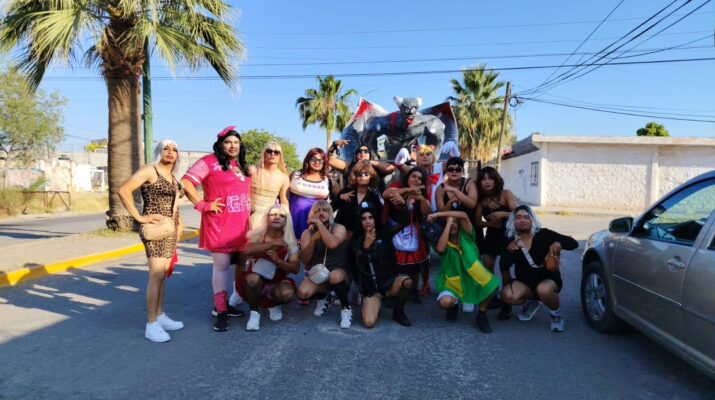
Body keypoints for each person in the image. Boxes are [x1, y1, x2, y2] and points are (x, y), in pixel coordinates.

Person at [181, 126, 252, 332]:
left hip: (241, 225)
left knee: (240, 265)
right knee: (221, 267)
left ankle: (231, 303)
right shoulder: (208, 162)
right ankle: (220, 311)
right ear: (220, 144)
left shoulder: (240, 164)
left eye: (236, 142)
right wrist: (203, 205)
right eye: (228, 142)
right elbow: (186, 182)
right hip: (219, 224)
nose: (233, 146)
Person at [118, 139, 185, 343]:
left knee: (162, 275)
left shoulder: (173, 177)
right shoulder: (150, 170)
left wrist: (179, 225)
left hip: (170, 229)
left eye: (174, 149)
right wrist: (139, 217)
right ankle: (151, 324)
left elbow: (173, 205)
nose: (170, 152)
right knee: (156, 275)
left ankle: (160, 315)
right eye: (166, 148)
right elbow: (123, 190)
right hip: (155, 230)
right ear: (159, 151)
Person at [500, 205, 578, 332]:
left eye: (526, 217)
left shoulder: (543, 234)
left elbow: (573, 243)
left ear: (532, 220)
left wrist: (559, 243)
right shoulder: (509, 239)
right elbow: (504, 266)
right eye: (518, 217)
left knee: (543, 289)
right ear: (513, 221)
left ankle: (556, 315)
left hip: (548, 281)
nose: (522, 220)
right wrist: (508, 251)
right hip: (525, 283)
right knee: (507, 295)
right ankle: (534, 301)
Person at [428, 210, 499, 333]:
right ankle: (453, 305)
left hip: (473, 278)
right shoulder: (440, 240)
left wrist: (438, 214)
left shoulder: (467, 235)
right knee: (445, 302)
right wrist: (448, 223)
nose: (453, 224)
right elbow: (440, 249)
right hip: (451, 282)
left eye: (455, 222)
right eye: (449, 222)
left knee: (491, 285)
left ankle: (481, 315)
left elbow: (464, 215)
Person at [237, 204, 300, 331]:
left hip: (277, 281)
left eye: (282, 215)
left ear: (286, 220)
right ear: (267, 217)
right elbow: (247, 250)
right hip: (256, 279)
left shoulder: (290, 241)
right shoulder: (258, 235)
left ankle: (273, 305)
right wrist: (272, 244)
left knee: (287, 293)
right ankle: (254, 313)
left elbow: (295, 269)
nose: (277, 217)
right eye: (273, 214)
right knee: (252, 279)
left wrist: (278, 261)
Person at [352, 202, 414, 328]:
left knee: (407, 282)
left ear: (375, 219)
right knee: (369, 323)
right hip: (372, 290)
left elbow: (404, 222)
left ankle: (398, 312)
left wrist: (408, 205)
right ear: (360, 221)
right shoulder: (357, 242)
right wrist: (366, 247)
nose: (367, 221)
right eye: (364, 218)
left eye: (370, 217)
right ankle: (375, 304)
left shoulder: (385, 233)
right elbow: (359, 267)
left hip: (388, 284)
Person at [296, 201, 354, 328]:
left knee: (334, 276)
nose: (321, 213)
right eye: (317, 210)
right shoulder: (307, 233)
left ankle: (346, 309)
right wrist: (312, 240)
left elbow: (332, 243)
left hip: (340, 273)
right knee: (302, 293)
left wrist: (320, 226)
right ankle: (325, 297)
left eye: (325, 210)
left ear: (330, 214)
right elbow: (305, 260)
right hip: (320, 274)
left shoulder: (339, 228)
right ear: (312, 214)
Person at [382, 167, 431, 303]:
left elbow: (427, 212)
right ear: (408, 177)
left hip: (413, 230)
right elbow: (386, 194)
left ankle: (413, 290)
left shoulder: (422, 193)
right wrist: (408, 190)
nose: (416, 180)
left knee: (415, 265)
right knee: (393, 264)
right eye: (413, 176)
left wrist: (420, 198)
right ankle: (393, 290)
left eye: (420, 178)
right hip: (394, 230)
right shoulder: (397, 186)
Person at [474, 166, 517, 319]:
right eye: (484, 179)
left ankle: (506, 304)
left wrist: (503, 213)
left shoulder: (506, 194)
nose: (487, 182)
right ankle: (492, 296)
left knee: (505, 269)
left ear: (496, 180)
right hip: (491, 236)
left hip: (507, 236)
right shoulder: (481, 200)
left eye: (490, 178)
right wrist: (489, 224)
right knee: (487, 270)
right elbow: (477, 222)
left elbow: (519, 215)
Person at [434, 156, 478, 302]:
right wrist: (451, 200)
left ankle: (469, 295)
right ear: (446, 171)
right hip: (449, 229)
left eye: (458, 169)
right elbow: (441, 212)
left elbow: (471, 204)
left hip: (467, 229)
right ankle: (452, 294)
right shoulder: (440, 189)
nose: (454, 171)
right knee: (452, 263)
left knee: (470, 261)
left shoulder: (469, 183)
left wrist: (455, 191)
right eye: (451, 169)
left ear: (462, 171)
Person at [333, 160, 384, 239]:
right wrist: (339, 198)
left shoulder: (373, 197)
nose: (362, 176)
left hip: (360, 239)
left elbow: (380, 218)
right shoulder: (346, 191)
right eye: (359, 174)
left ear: (371, 177)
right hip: (340, 236)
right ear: (355, 177)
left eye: (366, 174)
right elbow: (330, 208)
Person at [288, 148, 331, 240]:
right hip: (294, 218)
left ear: (324, 163)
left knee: (310, 244)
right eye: (313, 159)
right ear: (308, 159)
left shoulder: (327, 180)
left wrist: (341, 196)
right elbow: (283, 193)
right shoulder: (295, 175)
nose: (317, 162)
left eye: (320, 160)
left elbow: (335, 200)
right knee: (291, 245)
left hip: (316, 221)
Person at [328, 140, 396, 188]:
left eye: (366, 151)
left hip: (372, 200)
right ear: (356, 155)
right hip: (352, 199)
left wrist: (369, 161)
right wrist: (334, 145)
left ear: (370, 154)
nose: (362, 153)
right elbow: (330, 161)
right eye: (360, 151)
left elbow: (391, 168)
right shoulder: (349, 166)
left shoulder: (375, 167)